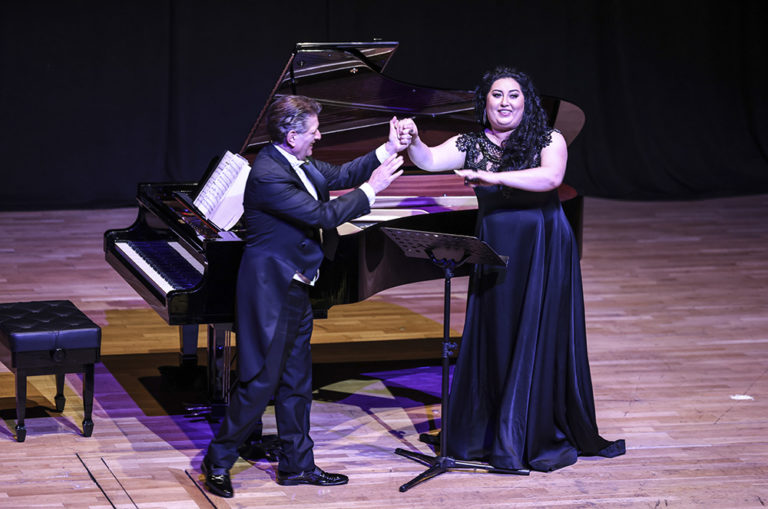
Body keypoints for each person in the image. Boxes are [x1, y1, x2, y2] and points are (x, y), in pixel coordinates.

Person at [399, 66, 625, 472]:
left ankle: (528, 430)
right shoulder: (471, 143)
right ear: (484, 102)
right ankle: (491, 428)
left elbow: (550, 177)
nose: (505, 102)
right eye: (497, 95)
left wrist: (491, 176)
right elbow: (429, 160)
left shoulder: (548, 138)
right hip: (496, 248)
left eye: (513, 95)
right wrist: (413, 140)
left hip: (542, 245)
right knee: (497, 330)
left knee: (537, 329)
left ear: (526, 102)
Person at [201, 95, 410, 498]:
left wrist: (388, 148)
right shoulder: (268, 174)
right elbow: (323, 216)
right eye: (313, 131)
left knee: (297, 380)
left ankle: (297, 465)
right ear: (291, 135)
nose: (319, 136)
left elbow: (342, 173)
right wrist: (373, 188)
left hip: (296, 287)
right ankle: (218, 459)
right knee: (260, 382)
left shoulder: (297, 161)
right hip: (271, 292)